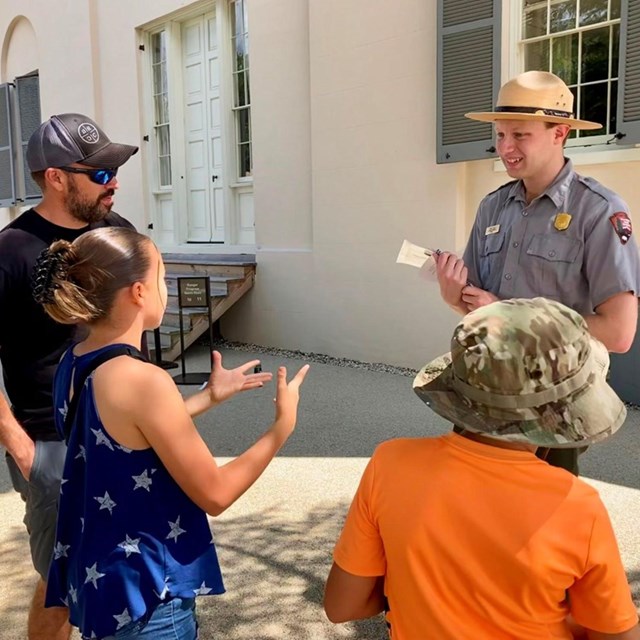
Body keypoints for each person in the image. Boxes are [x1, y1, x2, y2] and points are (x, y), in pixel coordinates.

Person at [32, 226, 309, 639]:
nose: (165, 287)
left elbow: (120, 434)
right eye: (161, 276)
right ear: (139, 292)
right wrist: (280, 429)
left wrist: (208, 397)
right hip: (149, 598)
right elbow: (215, 493)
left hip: (102, 584)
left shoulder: (74, 361)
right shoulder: (143, 380)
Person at [324, 297, 639, 640]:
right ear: (566, 411)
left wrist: (415, 594)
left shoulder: (390, 463)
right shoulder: (579, 507)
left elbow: (343, 606)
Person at [435, 70, 640, 474]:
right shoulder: (492, 207)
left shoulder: (597, 211)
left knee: (542, 527)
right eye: (500, 136)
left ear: (559, 133)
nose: (505, 148)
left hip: (554, 407)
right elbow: (484, 313)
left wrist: (508, 312)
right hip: (484, 391)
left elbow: (619, 332)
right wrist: (455, 297)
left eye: (520, 135)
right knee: (474, 516)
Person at [0, 113, 141, 640]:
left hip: (125, 435)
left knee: (124, 565)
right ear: (56, 177)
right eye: (100, 174)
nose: (115, 183)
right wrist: (22, 448)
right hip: (52, 443)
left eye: (115, 170)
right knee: (59, 586)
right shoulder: (11, 251)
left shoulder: (117, 233)